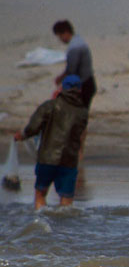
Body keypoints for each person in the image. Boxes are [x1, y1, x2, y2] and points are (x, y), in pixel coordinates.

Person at [13, 75, 89, 210]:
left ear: (62, 89)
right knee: (66, 202)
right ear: (79, 90)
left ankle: (41, 224)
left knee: (40, 194)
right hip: (69, 161)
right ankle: (65, 230)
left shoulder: (49, 106)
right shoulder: (82, 113)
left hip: (47, 159)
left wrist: (22, 135)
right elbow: (80, 135)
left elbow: (33, 128)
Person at [53, 20, 96, 108]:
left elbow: (71, 70)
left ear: (66, 33)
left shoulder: (74, 47)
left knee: (78, 114)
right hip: (89, 82)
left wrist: (60, 78)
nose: (60, 39)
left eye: (60, 36)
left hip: (84, 85)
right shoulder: (79, 40)